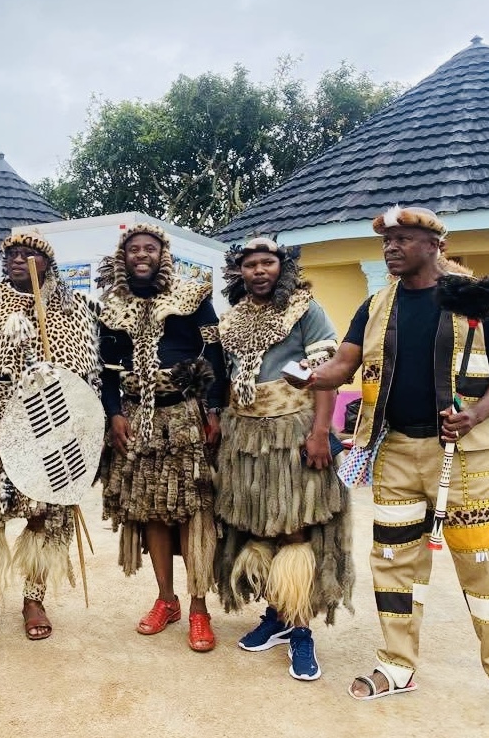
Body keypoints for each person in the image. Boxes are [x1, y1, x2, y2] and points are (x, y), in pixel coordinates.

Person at [293, 206, 489, 732]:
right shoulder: (377, 304)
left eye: (403, 239)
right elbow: (344, 363)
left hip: (465, 460)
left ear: (433, 244)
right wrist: (309, 378)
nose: (391, 248)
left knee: (483, 567)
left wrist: (472, 415)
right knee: (394, 563)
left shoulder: (475, 298)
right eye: (387, 241)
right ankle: (397, 665)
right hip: (396, 453)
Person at [0, 230, 100, 647]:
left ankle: (34, 600)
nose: (18, 260)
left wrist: (81, 428)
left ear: (47, 263)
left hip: (48, 413)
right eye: (12, 254)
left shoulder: (74, 307)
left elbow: (88, 374)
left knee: (44, 511)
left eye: (29, 255)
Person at [214, 237, 354, 681]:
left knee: (294, 527)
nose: (259, 270)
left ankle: (300, 630)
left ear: (282, 266)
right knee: (257, 523)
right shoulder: (232, 319)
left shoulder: (304, 308)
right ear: (240, 272)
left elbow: (326, 375)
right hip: (244, 434)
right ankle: (275, 615)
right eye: (251, 264)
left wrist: (319, 432)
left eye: (267, 262)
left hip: (293, 430)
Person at [95, 223, 226, 652]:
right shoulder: (112, 307)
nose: (141, 255)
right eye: (133, 249)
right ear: (124, 257)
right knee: (150, 510)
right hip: (136, 419)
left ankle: (198, 607)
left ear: (162, 254)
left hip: (185, 415)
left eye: (149, 248)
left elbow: (215, 355)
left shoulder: (192, 296)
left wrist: (212, 409)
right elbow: (107, 370)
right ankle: (166, 600)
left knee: (193, 511)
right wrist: (114, 414)